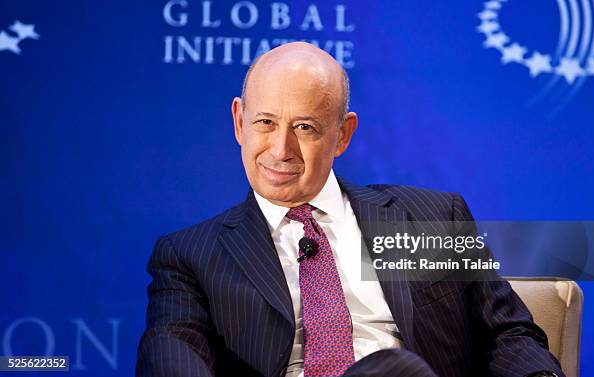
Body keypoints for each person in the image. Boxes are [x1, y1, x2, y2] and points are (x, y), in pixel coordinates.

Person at [136, 42, 564, 377]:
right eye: (265, 122)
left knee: (391, 371)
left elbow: (507, 334)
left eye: (304, 127)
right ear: (238, 122)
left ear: (342, 135)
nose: (280, 149)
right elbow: (173, 349)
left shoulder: (429, 218)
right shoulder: (190, 255)